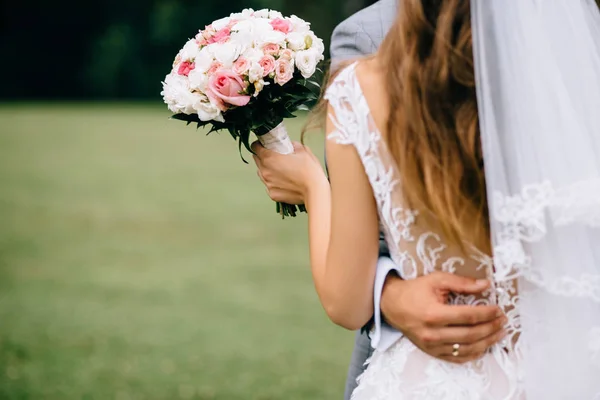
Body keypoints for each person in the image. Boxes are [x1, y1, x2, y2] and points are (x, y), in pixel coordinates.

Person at [254, 0, 600, 398]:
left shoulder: (362, 89)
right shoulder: (574, 72)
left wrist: (315, 188)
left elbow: (346, 303)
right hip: (565, 373)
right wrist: (393, 295)